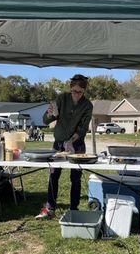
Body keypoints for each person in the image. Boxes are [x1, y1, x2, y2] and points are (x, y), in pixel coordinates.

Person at [35, 74, 93, 220]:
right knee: (53, 174)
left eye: (80, 92)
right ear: (70, 88)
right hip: (59, 143)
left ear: (84, 91)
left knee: (76, 178)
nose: (77, 94)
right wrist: (50, 114)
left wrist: (72, 141)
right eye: (74, 91)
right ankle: (50, 207)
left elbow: (83, 128)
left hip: (77, 145)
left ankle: (74, 208)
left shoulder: (87, 105)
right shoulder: (61, 98)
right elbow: (46, 119)